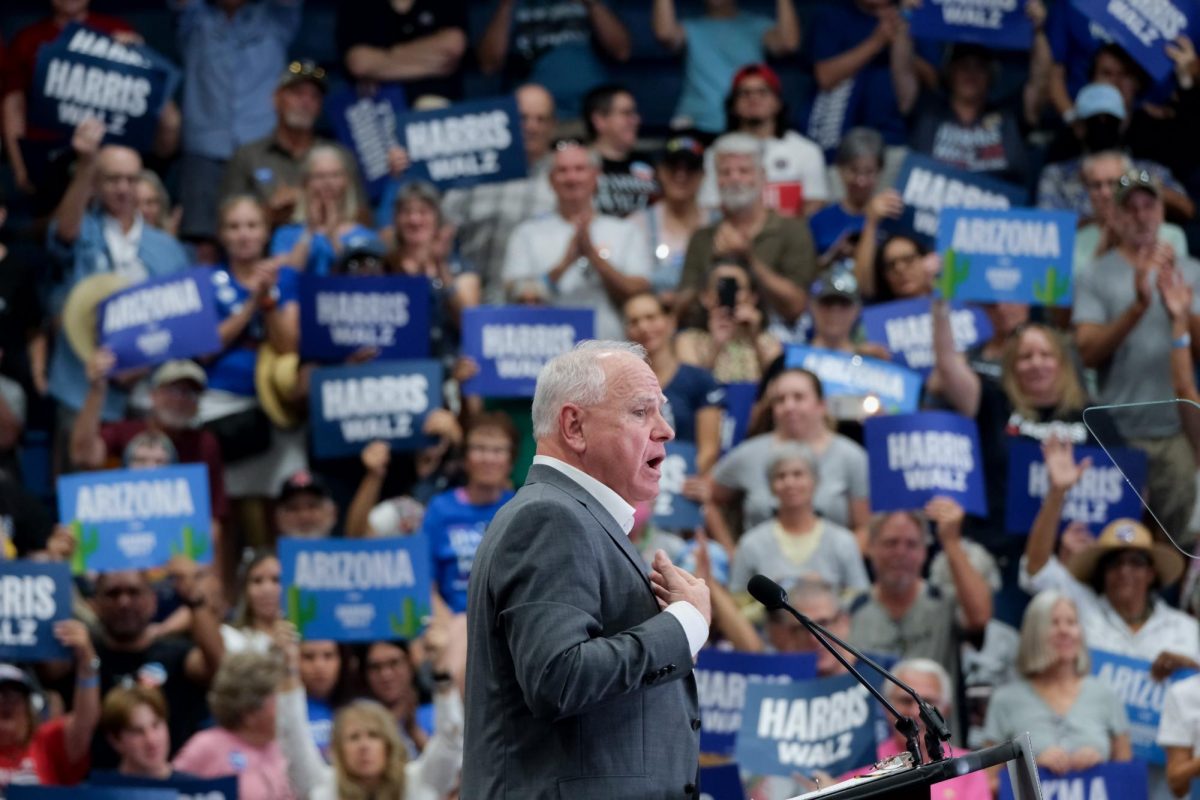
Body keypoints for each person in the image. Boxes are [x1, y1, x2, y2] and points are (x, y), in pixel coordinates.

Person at [463, 340, 711, 798]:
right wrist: (683, 626)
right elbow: (558, 676)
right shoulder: (551, 518)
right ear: (574, 426)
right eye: (642, 412)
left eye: (663, 411)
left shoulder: (577, 517)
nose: (666, 431)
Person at [1074, 169, 1200, 544]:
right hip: (1117, 433)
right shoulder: (1095, 274)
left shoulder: (1192, 271)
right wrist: (1138, 306)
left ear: (1162, 212)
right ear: (1114, 216)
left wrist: (1182, 312)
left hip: (1176, 434)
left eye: (1149, 205)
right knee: (1115, 542)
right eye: (1130, 208)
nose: (1141, 215)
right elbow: (1087, 353)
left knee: (1176, 542)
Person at [46, 123, 189, 424]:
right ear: (96, 184)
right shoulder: (83, 229)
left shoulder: (168, 248)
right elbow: (63, 235)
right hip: (80, 388)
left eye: (131, 180)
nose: (123, 188)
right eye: (112, 179)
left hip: (149, 394)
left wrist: (139, 365)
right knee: (80, 469)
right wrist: (86, 163)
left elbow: (182, 321)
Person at [278, 617, 465, 800]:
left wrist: (441, 670)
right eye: (354, 737)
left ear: (390, 744)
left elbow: (451, 740)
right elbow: (293, 737)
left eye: (373, 735)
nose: (364, 746)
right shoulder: (322, 787)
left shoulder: (418, 782)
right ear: (337, 749)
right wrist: (288, 669)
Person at [174, 0, 301, 243]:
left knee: (270, 233)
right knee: (202, 245)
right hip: (204, 149)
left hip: (263, 149)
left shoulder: (275, 17)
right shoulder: (193, 17)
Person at [502, 143, 652, 340]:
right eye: (562, 171)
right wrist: (565, 263)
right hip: (547, 348)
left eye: (580, 169)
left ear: (596, 175)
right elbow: (514, 295)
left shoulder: (625, 231)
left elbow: (640, 290)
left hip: (611, 346)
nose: (571, 178)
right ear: (550, 180)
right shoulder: (527, 234)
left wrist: (595, 257)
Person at [849, 502, 993, 706]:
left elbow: (980, 617)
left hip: (937, 734)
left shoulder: (944, 603)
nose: (900, 552)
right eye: (891, 543)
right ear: (870, 548)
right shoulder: (852, 610)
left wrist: (951, 541)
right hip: (873, 733)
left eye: (911, 544)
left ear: (925, 552)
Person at [677, 133, 815, 330]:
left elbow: (797, 306)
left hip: (777, 342)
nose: (735, 178)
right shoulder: (702, 237)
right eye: (725, 172)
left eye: (744, 170)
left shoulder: (792, 229)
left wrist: (748, 259)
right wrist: (714, 269)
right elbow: (682, 308)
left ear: (763, 176)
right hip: (713, 339)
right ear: (716, 180)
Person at [983, 591, 1131, 773]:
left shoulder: (1105, 695)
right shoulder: (1005, 700)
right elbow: (988, 781)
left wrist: (1101, 765)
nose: (1065, 631)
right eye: (1054, 623)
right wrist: (1029, 768)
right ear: (1033, 633)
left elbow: (1127, 777)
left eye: (1071, 622)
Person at [711, 367, 869, 538]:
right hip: (760, 561)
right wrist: (732, 555)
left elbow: (866, 529)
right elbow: (709, 496)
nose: (789, 406)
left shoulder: (852, 457)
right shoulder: (749, 454)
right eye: (780, 400)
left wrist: (840, 560)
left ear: (821, 405)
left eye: (798, 397)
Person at [90, 569, 224, 768]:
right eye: (113, 594)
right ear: (96, 605)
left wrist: (194, 599)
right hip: (100, 789)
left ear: (153, 602)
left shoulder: (177, 653)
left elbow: (219, 668)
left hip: (174, 785)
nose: (124, 602)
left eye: (134, 592)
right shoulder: (84, 656)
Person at [71, 357, 228, 523]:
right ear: (153, 395)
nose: (180, 400)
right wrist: (97, 390)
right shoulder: (125, 431)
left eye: (190, 393)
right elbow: (84, 457)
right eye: (173, 390)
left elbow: (214, 513)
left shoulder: (204, 443)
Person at [442, 83, 557, 298]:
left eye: (541, 119)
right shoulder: (475, 171)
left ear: (553, 126)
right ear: (507, 118)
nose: (531, 127)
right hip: (472, 301)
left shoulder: (565, 177)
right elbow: (440, 231)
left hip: (536, 308)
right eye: (523, 118)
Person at [220, 61, 367, 228]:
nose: (306, 102)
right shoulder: (248, 156)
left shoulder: (340, 157)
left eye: (315, 96)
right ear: (276, 99)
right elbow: (225, 223)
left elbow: (365, 221)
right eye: (297, 93)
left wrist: (323, 203)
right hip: (267, 249)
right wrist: (270, 213)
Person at [729, 442, 868, 595]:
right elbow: (737, 604)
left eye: (798, 474)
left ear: (815, 481)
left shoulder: (843, 541)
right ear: (771, 486)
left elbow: (859, 599)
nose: (789, 483)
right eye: (781, 476)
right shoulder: (750, 544)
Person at [845, 659, 990, 800]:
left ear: (946, 710)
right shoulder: (861, 764)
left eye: (927, 704)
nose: (915, 712)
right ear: (886, 708)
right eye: (905, 701)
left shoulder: (968, 766)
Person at [416, 414, 517, 614]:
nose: (488, 458)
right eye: (479, 448)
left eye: (498, 450)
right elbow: (425, 579)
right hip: (450, 620)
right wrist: (444, 623)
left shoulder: (520, 507)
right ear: (465, 458)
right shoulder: (440, 508)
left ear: (511, 461)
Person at [697, 64, 828, 217]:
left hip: (789, 237)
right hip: (732, 238)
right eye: (745, 93)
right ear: (733, 105)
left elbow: (814, 205)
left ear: (778, 102)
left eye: (763, 92)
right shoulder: (716, 152)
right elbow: (710, 207)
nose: (753, 98)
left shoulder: (806, 151)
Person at [653, 1, 800, 136]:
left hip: (746, 126)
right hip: (696, 124)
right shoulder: (690, 27)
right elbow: (665, 34)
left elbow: (788, 44)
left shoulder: (758, 26)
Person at [476, 0, 631, 118]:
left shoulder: (594, 5)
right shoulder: (509, 6)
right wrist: (506, 5)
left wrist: (592, 3)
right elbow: (489, 65)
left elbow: (621, 51)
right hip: (531, 118)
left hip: (590, 115)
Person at [623, 293, 723, 473]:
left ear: (670, 322)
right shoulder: (622, 386)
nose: (644, 327)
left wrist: (679, 480)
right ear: (626, 332)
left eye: (651, 317)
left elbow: (709, 449)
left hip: (685, 483)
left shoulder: (699, 380)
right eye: (634, 322)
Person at [904, 43, 1031, 184]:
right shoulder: (927, 111)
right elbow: (903, 71)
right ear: (950, 73)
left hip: (1000, 202)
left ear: (991, 75)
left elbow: (1040, 80)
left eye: (979, 68)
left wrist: (1039, 33)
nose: (971, 74)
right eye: (963, 67)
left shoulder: (1009, 115)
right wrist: (902, 27)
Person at [172, 651, 292, 797]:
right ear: (250, 709)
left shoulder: (280, 747)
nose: (285, 708)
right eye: (275, 700)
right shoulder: (206, 746)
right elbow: (170, 791)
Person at [0, 625, 99, 789]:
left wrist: (87, 665)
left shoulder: (47, 744)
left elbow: (85, 722)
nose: (5, 703)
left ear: (28, 707)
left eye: (14, 695)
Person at [1073, 150, 1189, 279]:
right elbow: (1077, 292)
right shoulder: (1076, 240)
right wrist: (1102, 252)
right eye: (1096, 185)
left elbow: (1180, 284)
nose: (1105, 193)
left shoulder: (1171, 234)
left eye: (1112, 183)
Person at [271, 146, 381, 277]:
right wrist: (309, 232)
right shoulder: (285, 235)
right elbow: (287, 277)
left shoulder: (365, 237)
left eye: (335, 175)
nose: (328, 183)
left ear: (346, 181)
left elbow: (361, 281)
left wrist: (333, 236)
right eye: (319, 176)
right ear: (306, 182)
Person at [629, 136, 714, 301]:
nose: (681, 176)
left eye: (690, 169)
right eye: (673, 168)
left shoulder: (718, 223)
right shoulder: (637, 224)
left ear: (703, 175)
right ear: (660, 171)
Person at [337, 0, 468, 104]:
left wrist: (380, 64)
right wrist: (432, 63)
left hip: (441, 110)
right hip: (381, 117)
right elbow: (360, 63)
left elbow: (453, 46)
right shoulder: (356, 4)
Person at [675, 256, 782, 383]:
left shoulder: (768, 341)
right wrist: (716, 345)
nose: (730, 295)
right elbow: (691, 387)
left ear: (753, 297)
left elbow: (779, 383)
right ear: (705, 297)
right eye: (721, 287)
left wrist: (755, 338)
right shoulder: (688, 341)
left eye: (736, 288)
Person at [808, 128, 886, 268]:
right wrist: (833, 255)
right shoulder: (818, 220)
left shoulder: (890, 219)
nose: (861, 181)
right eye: (854, 170)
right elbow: (805, 273)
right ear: (840, 169)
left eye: (869, 172)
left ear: (880, 172)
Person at [583, 85, 657, 218]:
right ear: (599, 120)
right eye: (626, 113)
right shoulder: (579, 165)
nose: (636, 120)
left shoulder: (649, 162)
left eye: (634, 113)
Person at [97, 684, 196, 780]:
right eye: (137, 732)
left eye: (156, 725)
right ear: (115, 740)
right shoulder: (96, 793)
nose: (151, 740)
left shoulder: (194, 792)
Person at [359, 642, 426, 757]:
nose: (386, 675)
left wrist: (414, 731)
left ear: (410, 664)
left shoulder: (436, 714)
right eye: (375, 667)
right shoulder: (354, 719)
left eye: (394, 663)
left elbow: (451, 768)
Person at [221, 551, 282, 654]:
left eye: (276, 580)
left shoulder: (304, 638)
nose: (267, 589)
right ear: (245, 590)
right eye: (257, 581)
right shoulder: (230, 637)